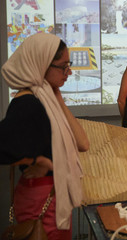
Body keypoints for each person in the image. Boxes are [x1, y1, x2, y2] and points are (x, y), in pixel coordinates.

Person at [0, 32, 89, 239]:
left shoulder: (47, 97)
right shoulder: (27, 102)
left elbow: (83, 143)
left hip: (51, 195)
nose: (69, 71)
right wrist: (39, 161)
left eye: (70, 64)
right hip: (40, 199)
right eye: (63, 66)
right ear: (42, 64)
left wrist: (58, 97)